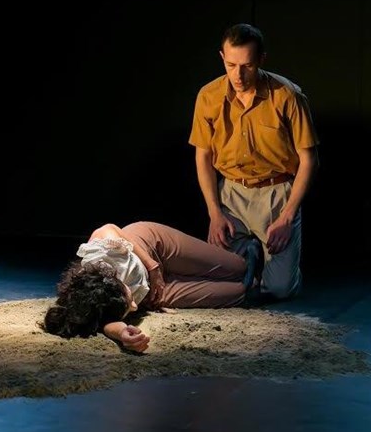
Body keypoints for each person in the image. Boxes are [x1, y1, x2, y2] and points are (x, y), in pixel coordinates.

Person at [189, 23, 319, 300]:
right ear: (222, 57)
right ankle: (248, 252)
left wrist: (287, 216)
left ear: (261, 60)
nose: (238, 75)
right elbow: (203, 156)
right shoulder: (208, 96)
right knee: (220, 281)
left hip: (276, 194)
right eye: (231, 65)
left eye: (247, 66)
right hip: (231, 193)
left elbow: (309, 160)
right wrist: (214, 213)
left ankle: (278, 266)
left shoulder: (288, 96)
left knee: (279, 289)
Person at [42, 221, 261, 353]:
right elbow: (105, 323)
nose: (134, 307)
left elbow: (108, 228)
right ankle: (249, 280)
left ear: (115, 282)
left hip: (152, 248)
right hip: (154, 294)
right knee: (239, 292)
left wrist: (153, 267)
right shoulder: (95, 303)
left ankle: (243, 244)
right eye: (129, 307)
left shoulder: (102, 255)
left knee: (238, 267)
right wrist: (123, 334)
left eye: (129, 300)